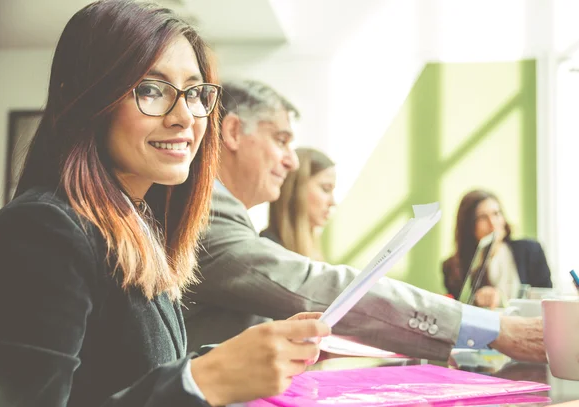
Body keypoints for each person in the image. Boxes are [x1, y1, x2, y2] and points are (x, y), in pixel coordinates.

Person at [0, 2, 331, 406]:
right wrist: (204, 380)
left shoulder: (140, 225)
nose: (184, 116)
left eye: (195, 93)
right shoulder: (40, 231)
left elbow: (124, 378)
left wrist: (232, 361)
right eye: (150, 89)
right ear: (83, 98)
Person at [182, 79, 547, 365]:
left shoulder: (219, 213)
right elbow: (319, 286)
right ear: (231, 133)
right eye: (281, 140)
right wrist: (492, 328)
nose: (290, 161)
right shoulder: (206, 211)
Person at [442, 189, 553, 309]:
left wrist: (502, 300)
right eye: (483, 217)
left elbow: (546, 299)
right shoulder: (454, 267)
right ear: (469, 225)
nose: (493, 222)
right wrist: (477, 300)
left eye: (496, 213)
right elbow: (460, 312)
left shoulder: (531, 251)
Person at [261, 147, 336, 260]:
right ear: (296, 189)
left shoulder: (313, 251)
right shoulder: (267, 251)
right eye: (325, 189)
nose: (333, 202)